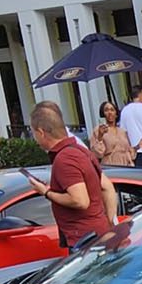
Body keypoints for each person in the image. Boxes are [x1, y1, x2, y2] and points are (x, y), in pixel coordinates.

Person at [25, 104, 114, 252]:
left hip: (85, 240)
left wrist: (46, 192)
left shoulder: (64, 158)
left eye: (33, 133)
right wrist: (110, 223)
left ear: (41, 132)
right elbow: (105, 187)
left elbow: (80, 200)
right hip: (94, 234)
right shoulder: (80, 151)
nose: (34, 138)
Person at [93, 101, 135, 166]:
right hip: (111, 166)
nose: (110, 112)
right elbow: (98, 153)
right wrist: (100, 136)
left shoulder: (122, 131)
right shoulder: (98, 130)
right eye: (106, 110)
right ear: (103, 114)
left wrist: (136, 148)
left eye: (112, 110)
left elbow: (130, 151)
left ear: (116, 114)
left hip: (127, 166)